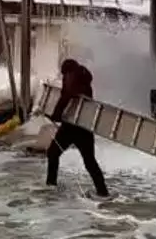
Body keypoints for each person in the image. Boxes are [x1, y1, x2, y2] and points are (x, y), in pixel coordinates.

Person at [45, 59, 109, 198]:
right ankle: (103, 192)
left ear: (68, 71)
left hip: (71, 127)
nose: (63, 78)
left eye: (64, 75)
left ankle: (51, 186)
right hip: (84, 127)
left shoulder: (73, 76)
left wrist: (56, 114)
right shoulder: (84, 80)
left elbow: (66, 95)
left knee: (53, 153)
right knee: (90, 162)